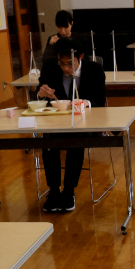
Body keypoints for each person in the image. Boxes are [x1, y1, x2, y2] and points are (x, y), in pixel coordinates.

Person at [37, 37, 108, 213]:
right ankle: (53, 191)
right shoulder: (50, 68)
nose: (66, 68)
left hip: (85, 124)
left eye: (70, 64)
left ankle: (69, 190)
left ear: (81, 57)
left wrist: (86, 103)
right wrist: (40, 94)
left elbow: (100, 100)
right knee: (47, 142)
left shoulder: (94, 69)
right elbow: (38, 99)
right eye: (62, 64)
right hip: (56, 123)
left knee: (76, 141)